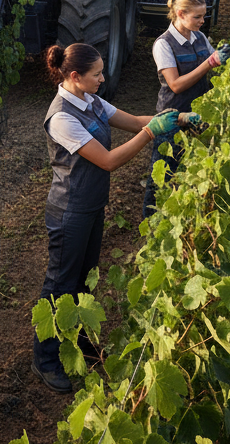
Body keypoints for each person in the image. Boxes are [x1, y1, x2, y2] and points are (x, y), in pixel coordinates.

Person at [34, 42, 185, 393]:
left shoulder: (92, 101)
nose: (103, 78)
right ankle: (45, 359)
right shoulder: (62, 117)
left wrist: (176, 119)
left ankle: (81, 343)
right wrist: (151, 134)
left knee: (85, 280)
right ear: (75, 76)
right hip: (69, 211)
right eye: (97, 74)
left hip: (91, 206)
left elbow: (133, 122)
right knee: (60, 285)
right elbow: (108, 160)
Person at [143, 0, 230, 218]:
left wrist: (228, 61)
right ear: (181, 14)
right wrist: (209, 63)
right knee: (164, 176)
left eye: (204, 16)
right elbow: (175, 85)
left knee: (191, 172)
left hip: (198, 118)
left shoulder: (200, 37)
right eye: (198, 17)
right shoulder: (163, 44)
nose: (202, 21)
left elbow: (216, 66)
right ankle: (151, 223)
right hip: (172, 119)